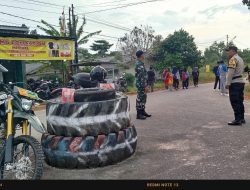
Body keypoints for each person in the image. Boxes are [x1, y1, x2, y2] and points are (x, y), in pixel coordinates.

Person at [225, 46, 245, 126]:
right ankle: (241, 118)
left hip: (235, 82)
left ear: (233, 51)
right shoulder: (240, 59)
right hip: (240, 82)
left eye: (228, 51)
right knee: (240, 101)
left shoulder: (233, 59)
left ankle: (237, 120)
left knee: (235, 101)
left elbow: (230, 72)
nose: (228, 53)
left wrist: (227, 83)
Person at [135, 50, 151, 120]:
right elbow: (141, 77)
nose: (144, 55)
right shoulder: (139, 64)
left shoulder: (141, 63)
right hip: (141, 84)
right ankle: (139, 114)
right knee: (140, 98)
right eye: (143, 54)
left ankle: (143, 111)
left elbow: (144, 76)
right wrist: (145, 86)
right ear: (141, 55)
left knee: (143, 98)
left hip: (143, 83)